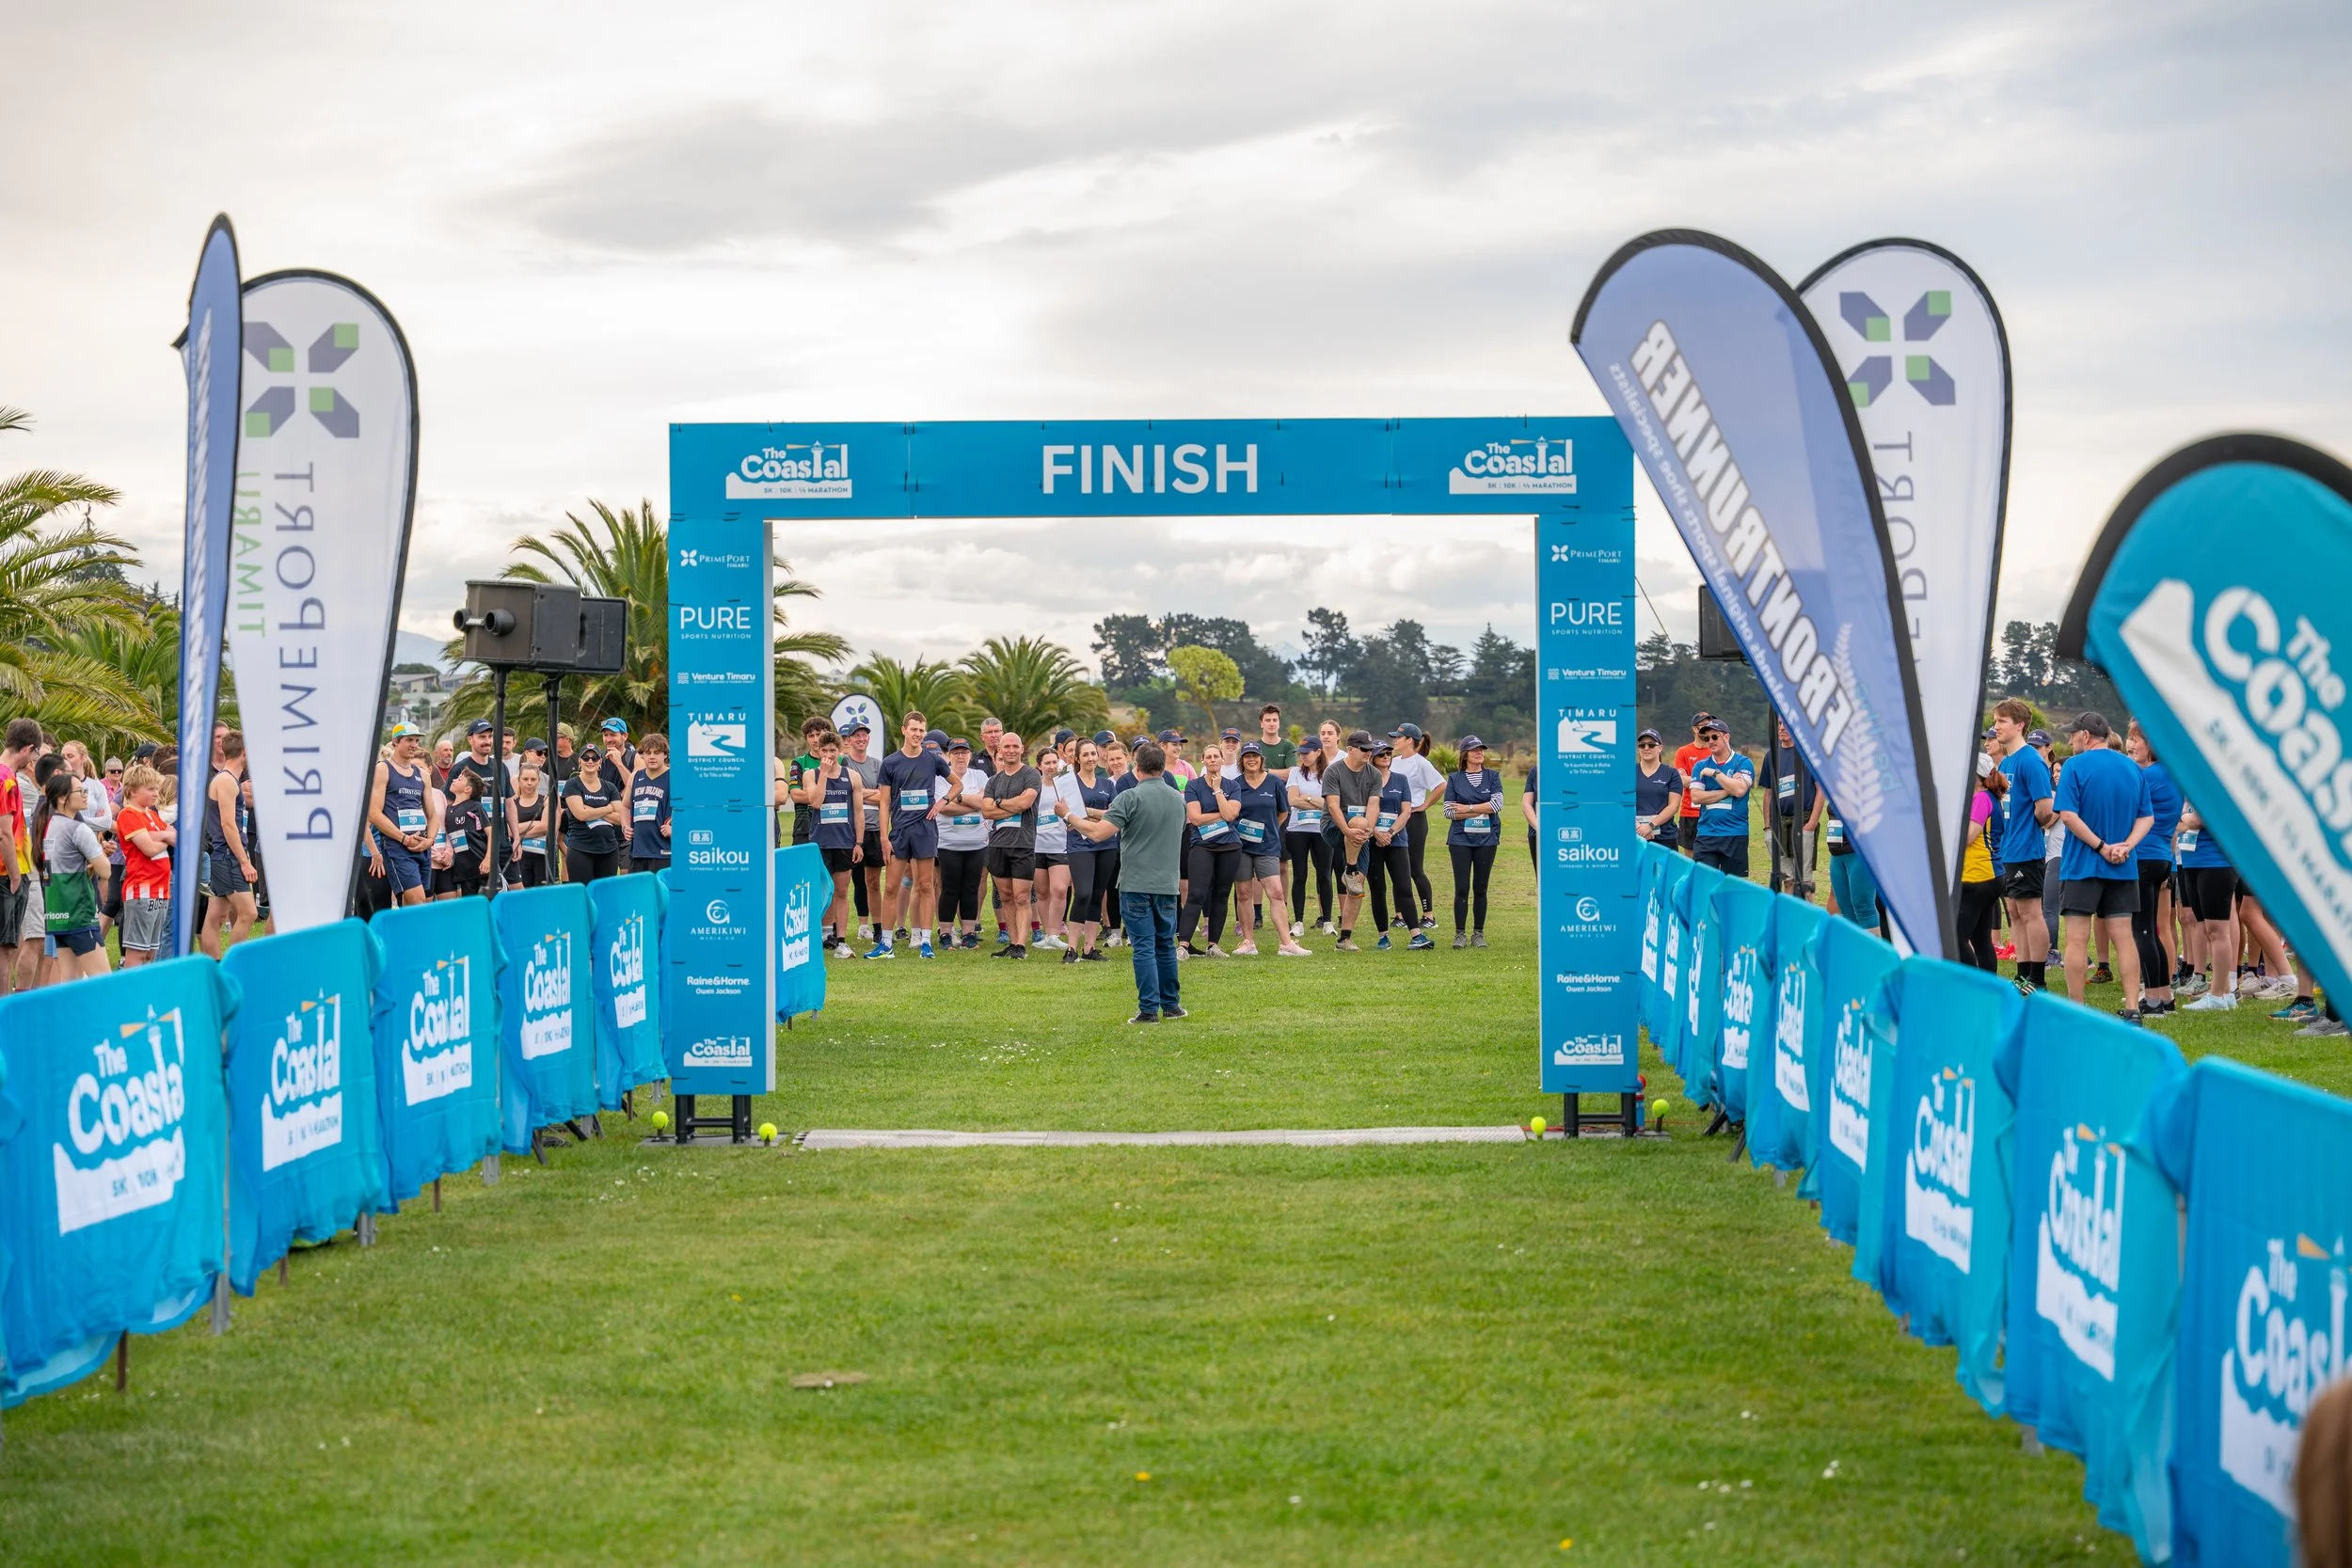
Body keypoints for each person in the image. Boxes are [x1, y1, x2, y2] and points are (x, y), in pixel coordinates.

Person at [1063, 739, 1188, 1022]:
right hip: (1167, 883)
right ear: (1162, 767)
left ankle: (1148, 1009)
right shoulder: (1178, 799)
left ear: (1136, 766)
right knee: (1165, 944)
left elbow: (1097, 834)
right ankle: (1171, 1005)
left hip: (1136, 883)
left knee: (1144, 945)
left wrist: (1069, 815)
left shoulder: (1129, 797)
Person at [2052, 711, 2153, 1018]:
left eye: (2072, 735)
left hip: (2082, 865)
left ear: (2085, 736)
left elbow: (2067, 815)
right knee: (2124, 936)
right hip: (2123, 866)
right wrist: (2125, 847)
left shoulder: (2074, 766)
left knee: (2077, 938)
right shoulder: (2132, 768)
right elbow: (2146, 817)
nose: (2069, 740)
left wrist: (2101, 847)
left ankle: (2077, 1009)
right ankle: (2133, 1008)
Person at [871, 710, 950, 958]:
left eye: (921, 730)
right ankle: (885, 944)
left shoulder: (933, 760)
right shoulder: (890, 763)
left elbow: (956, 783)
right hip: (900, 834)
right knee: (892, 887)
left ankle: (926, 942)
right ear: (903, 730)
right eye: (913, 729)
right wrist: (884, 838)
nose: (917, 734)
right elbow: (884, 803)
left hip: (925, 831)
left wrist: (941, 802)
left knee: (926, 885)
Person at [1992, 701, 2057, 993]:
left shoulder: (2031, 760)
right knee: (2015, 913)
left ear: (2019, 725)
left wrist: (2028, 828)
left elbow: (2045, 807)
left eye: (2002, 721)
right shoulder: (2006, 763)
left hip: (2026, 851)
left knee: (2031, 913)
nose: (1996, 727)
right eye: (1996, 721)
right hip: (2007, 850)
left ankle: (2037, 979)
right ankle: (2022, 975)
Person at [1229, 741, 1308, 957]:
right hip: (1242, 847)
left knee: (1276, 891)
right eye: (1247, 756)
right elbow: (1231, 813)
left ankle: (1286, 943)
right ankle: (1248, 942)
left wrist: (1269, 829)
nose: (1251, 760)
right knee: (1243, 893)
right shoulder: (1235, 785)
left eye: (1255, 756)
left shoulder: (1273, 783)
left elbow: (1283, 812)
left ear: (1261, 759)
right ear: (1242, 760)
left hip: (1268, 846)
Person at [2124, 721, 2182, 1016]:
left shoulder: (2148, 775)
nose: (2132, 746)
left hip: (2144, 857)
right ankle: (2163, 996)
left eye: (2137, 740)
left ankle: (2154, 1000)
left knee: (2143, 931)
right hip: (2161, 858)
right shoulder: (2171, 774)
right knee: (2152, 931)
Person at [795, 728, 866, 956]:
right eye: (824, 750)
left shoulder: (852, 776)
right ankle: (823, 934)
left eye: (833, 750)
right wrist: (823, 773)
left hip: (844, 842)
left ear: (840, 751)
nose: (828, 754)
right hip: (820, 842)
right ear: (818, 750)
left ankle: (841, 940)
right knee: (821, 889)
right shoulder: (810, 775)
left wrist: (859, 843)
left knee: (842, 891)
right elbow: (815, 802)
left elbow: (859, 812)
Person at [35, 771, 110, 978]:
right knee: (106, 984)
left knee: (69, 983)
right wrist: (98, 855)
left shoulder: (49, 826)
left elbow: (66, 868)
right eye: (80, 791)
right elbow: (106, 870)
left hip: (58, 917)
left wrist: (88, 866)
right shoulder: (78, 829)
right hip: (79, 916)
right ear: (62, 798)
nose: (86, 795)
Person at [1365, 740, 1434, 949]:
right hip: (1372, 840)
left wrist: (1391, 832)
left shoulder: (1400, 780)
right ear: (1372, 758)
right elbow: (1360, 811)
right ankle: (1383, 937)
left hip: (1397, 840)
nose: (1386, 756)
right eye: (1381, 754)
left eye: (1388, 753)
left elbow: (1406, 811)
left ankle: (1416, 935)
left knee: (1404, 887)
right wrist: (1376, 833)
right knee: (1378, 889)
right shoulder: (1365, 781)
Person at [979, 731, 1041, 958]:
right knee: (1006, 896)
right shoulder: (993, 781)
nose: (1011, 750)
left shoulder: (1031, 775)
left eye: (1015, 746)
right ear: (1000, 751)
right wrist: (1009, 805)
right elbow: (986, 810)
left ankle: (1021, 946)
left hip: (1022, 844)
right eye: (1007, 747)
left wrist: (998, 804)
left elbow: (1026, 802)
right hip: (997, 845)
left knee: (1022, 897)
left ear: (1022, 749)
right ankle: (1013, 944)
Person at [2175, 796, 2240, 1009]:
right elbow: (2181, 819)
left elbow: (2197, 820)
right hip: (2192, 860)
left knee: (2217, 930)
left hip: (2216, 862)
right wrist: (2186, 818)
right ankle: (2225, 993)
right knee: (2205, 928)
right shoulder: (2189, 786)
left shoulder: (2211, 783)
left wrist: (2185, 818)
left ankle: (2217, 995)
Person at [1321, 729, 1382, 951]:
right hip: (1334, 828)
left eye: (1370, 749)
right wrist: (1348, 830)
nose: (1369, 753)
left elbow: (1374, 805)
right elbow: (1333, 806)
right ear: (1350, 749)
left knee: (1357, 887)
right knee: (1357, 821)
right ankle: (1351, 868)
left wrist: (1369, 829)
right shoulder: (1333, 771)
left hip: (1360, 831)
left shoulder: (1374, 774)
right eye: (1364, 749)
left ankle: (1344, 938)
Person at [201, 729, 261, 954]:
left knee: (216, 915)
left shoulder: (230, 779)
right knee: (249, 913)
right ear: (244, 752)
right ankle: (233, 965)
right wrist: (244, 861)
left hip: (224, 854)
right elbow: (228, 825)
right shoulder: (226, 780)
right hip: (226, 855)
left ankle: (215, 965)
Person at [1443, 736, 1504, 947]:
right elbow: (1449, 811)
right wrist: (1481, 807)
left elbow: (1496, 806)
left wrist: (1467, 808)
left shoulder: (1493, 776)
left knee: (1481, 888)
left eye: (1481, 749)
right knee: (1461, 887)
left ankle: (1478, 933)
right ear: (1465, 755)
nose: (1479, 752)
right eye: (1474, 750)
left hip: (1487, 839)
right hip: (1460, 839)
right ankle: (1460, 933)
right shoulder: (1454, 779)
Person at [115, 763, 173, 969]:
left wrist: (162, 835)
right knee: (138, 951)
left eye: (156, 788)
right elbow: (148, 848)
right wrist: (165, 836)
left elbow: (176, 836)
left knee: (150, 952)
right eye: (150, 789)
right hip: (142, 889)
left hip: (161, 889)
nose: (156, 793)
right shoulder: (128, 814)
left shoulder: (152, 815)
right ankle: (132, 994)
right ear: (132, 791)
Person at [934, 739, 990, 948]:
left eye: (964, 752)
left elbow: (985, 803)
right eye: (955, 752)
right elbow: (942, 807)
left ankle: (968, 933)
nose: (960, 756)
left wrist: (955, 798)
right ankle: (946, 933)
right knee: (949, 889)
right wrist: (972, 804)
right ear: (948, 756)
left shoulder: (980, 776)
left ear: (969, 755)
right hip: (949, 843)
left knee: (971, 888)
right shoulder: (941, 777)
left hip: (976, 843)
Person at [1388, 723, 1445, 927]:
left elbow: (1440, 785)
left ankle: (1429, 915)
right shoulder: (1393, 762)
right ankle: (1400, 915)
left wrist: (1425, 805)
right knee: (1397, 868)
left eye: (1399, 737)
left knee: (1415, 869)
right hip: (1395, 819)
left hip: (1414, 820)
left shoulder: (1421, 764)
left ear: (1410, 740)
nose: (1395, 740)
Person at [1062, 738, 1114, 962]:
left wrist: (1088, 812)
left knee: (1097, 894)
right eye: (1085, 755)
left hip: (1107, 844)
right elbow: (1068, 819)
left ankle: (1089, 948)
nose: (1091, 758)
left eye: (1093, 753)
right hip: (1080, 844)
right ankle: (1072, 948)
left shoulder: (1108, 785)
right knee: (1082, 893)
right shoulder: (1069, 784)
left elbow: (1114, 815)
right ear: (1077, 759)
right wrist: (1093, 815)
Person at [0, 717, 40, 995]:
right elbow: (4, 833)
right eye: (36, 752)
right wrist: (15, 875)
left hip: (14, 870)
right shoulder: (6, 780)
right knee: (4, 952)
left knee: (9, 948)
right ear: (28, 748)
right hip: (6, 874)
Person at [1757, 718, 1821, 895]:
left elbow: (1820, 791)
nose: (1782, 728)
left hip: (1804, 821)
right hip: (1779, 824)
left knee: (1805, 881)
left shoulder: (1807, 753)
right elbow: (1768, 793)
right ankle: (1790, 921)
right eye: (1778, 723)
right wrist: (1768, 825)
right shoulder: (1772, 755)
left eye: (1786, 723)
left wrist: (1812, 824)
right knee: (1787, 880)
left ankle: (1806, 921)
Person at [1685, 718, 1754, 877]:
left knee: (1733, 890)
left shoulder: (1743, 763)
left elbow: (1740, 790)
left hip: (1735, 834)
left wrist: (1716, 774)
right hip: (1706, 835)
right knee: (1704, 885)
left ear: (1726, 737)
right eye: (1706, 738)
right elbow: (1696, 797)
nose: (1710, 741)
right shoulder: (1701, 766)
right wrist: (1726, 790)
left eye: (1714, 737)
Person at [1954, 752, 2004, 972]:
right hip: (1990, 875)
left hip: (1978, 876)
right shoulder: (1988, 797)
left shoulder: (1981, 798)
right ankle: (1988, 992)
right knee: (1981, 940)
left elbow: (1969, 836)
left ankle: (1974, 988)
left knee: (1956, 938)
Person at [560, 743, 630, 883]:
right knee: (582, 895)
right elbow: (581, 815)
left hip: (608, 849)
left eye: (594, 758)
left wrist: (590, 810)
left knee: (605, 895)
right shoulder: (573, 784)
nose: (590, 761)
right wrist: (608, 808)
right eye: (586, 758)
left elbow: (619, 819)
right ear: (580, 761)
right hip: (581, 849)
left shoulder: (609, 787)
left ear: (600, 761)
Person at [841, 719, 884, 942]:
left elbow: (884, 796)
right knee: (850, 880)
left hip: (875, 828)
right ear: (848, 740)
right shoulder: (843, 763)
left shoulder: (878, 765)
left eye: (864, 734)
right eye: (856, 735)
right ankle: (860, 926)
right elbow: (845, 792)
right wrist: (866, 793)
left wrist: (859, 791)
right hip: (851, 830)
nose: (861, 738)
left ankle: (877, 927)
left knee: (873, 882)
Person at [1031, 744, 1076, 953]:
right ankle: (1046, 934)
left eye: (1054, 762)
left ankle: (1055, 933)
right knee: (1041, 892)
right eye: (1047, 763)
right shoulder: (1033, 788)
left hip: (1060, 846)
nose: (1051, 766)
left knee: (1058, 889)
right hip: (1037, 846)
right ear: (1039, 766)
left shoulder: (1065, 787)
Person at [1285, 737, 1333, 936]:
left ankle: (1328, 921)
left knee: (1324, 875)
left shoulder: (1330, 773)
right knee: (1300, 875)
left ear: (1318, 752)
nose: (1303, 756)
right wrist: (1315, 800)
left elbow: (1330, 804)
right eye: (1301, 753)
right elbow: (1293, 800)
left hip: (1322, 830)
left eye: (1307, 752)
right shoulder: (1295, 773)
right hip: (1297, 830)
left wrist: (1307, 798)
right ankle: (1298, 921)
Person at [1821, 791, 1878, 929]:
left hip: (1857, 854)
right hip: (1837, 855)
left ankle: (1870, 950)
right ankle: (1853, 948)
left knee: (1863, 907)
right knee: (1845, 909)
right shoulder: (1836, 784)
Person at [437, 769, 494, 900]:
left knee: (490, 907)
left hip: (482, 869)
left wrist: (488, 859)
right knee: (472, 909)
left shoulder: (475, 807)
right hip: (463, 872)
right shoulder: (447, 810)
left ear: (467, 789)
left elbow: (491, 834)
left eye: (460, 779)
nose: (454, 780)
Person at [628, 733, 672, 877]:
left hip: (664, 852)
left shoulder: (675, 777)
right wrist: (624, 826)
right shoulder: (635, 776)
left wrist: (676, 828)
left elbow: (691, 809)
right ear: (642, 755)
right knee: (639, 897)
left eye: (657, 752)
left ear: (665, 755)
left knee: (662, 897)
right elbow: (624, 806)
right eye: (648, 753)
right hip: (639, 851)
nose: (652, 756)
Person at [1671, 712, 1714, 854]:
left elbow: (1722, 781)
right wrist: (1709, 778)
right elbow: (1681, 781)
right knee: (1691, 859)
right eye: (1704, 726)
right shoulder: (1683, 752)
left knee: (1713, 857)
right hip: (1690, 812)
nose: (1708, 729)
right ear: (1695, 729)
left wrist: (1692, 779)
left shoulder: (1716, 750)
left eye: (1710, 725)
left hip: (1713, 811)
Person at [509, 760, 554, 889]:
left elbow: (545, 827)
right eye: (525, 779)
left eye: (533, 779)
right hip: (519, 858)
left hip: (542, 857)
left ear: (538, 781)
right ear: (519, 780)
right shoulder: (512, 803)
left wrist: (516, 831)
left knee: (542, 896)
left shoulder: (546, 800)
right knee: (521, 896)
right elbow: (507, 830)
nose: (529, 783)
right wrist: (534, 823)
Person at [1632, 729, 1682, 844]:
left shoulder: (1671, 773)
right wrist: (1638, 827)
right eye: (1642, 745)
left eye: (1651, 745)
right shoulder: (1629, 773)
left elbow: (1674, 806)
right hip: (1634, 835)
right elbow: (1623, 803)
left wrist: (1650, 825)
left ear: (1660, 748)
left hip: (1665, 836)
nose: (1646, 748)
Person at [786, 715, 828, 847]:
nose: (815, 740)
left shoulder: (841, 761)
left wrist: (810, 793)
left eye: (818, 734)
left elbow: (848, 795)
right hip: (805, 826)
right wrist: (831, 794)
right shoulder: (799, 762)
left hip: (834, 826)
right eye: (811, 736)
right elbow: (796, 795)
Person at [1521, 757, 1539, 873]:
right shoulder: (1536, 771)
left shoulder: (1575, 770)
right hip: (1537, 834)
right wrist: (1540, 829)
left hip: (1569, 833)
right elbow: (1527, 803)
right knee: (1544, 879)